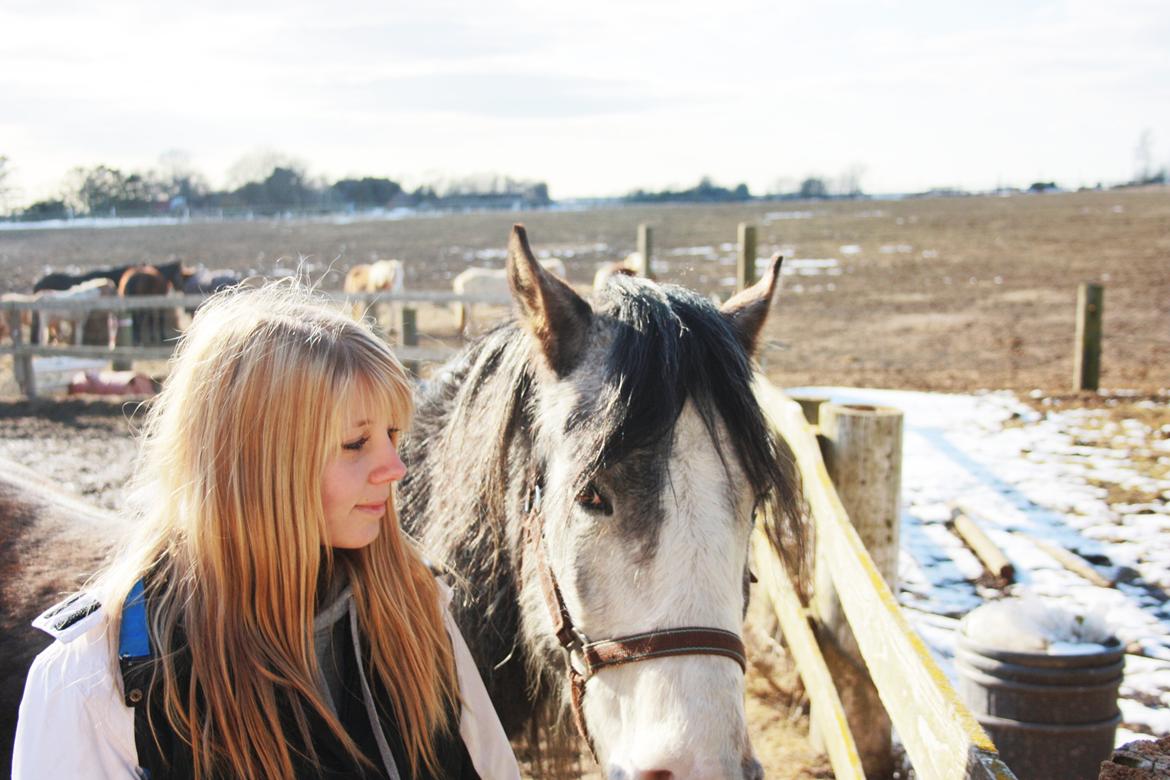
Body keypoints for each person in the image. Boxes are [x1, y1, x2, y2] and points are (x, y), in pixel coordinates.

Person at [13, 281, 521, 780]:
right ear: (255, 462)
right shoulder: (99, 680)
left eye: (392, 435)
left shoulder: (417, 612)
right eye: (355, 444)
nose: (395, 468)